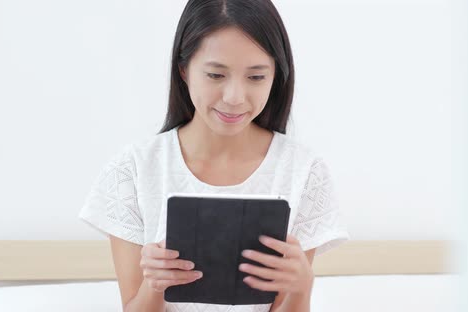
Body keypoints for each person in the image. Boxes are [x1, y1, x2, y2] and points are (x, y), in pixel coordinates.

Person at [79, 0, 349, 311]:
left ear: (276, 77)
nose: (234, 98)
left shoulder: (303, 171)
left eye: (256, 77)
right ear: (184, 70)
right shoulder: (134, 170)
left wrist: (301, 289)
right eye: (216, 75)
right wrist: (155, 285)